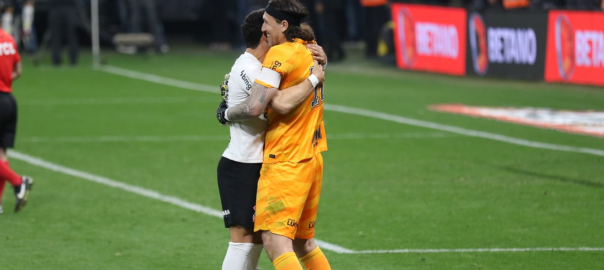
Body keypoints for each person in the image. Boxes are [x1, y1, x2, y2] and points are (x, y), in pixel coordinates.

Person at [217, 1, 330, 269]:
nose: (265, 28)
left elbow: (268, 105)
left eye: (269, 22)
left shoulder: (283, 54)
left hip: (285, 158)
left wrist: (226, 112)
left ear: (282, 26)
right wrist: (319, 71)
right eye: (263, 23)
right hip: (289, 158)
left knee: (272, 242)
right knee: (291, 242)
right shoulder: (305, 50)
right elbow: (268, 103)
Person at [0, 26, 33, 214]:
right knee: (1, 154)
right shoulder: (9, 39)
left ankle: (19, 181)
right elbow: (18, 71)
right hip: (9, 100)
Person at [49, 0, 79, 66]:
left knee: (56, 36)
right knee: (71, 36)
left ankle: (56, 59)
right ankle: (73, 59)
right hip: (69, 9)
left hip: (56, 8)